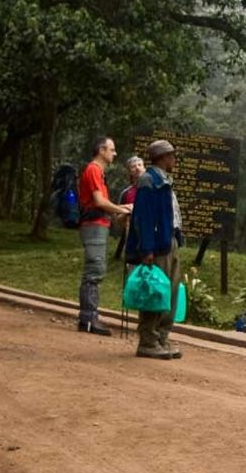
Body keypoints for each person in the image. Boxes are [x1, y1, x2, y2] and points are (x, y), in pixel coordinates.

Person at [126, 138, 184, 360]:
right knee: (155, 290)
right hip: (157, 246)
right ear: (162, 158)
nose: (173, 160)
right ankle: (148, 340)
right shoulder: (148, 181)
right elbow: (145, 218)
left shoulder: (164, 180)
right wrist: (147, 248)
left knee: (171, 291)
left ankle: (162, 335)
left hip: (169, 241)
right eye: (171, 156)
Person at [77, 136, 132, 335]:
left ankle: (90, 316)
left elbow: (103, 206)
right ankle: (88, 318)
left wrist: (121, 210)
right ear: (101, 150)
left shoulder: (99, 173)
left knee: (97, 269)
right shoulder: (93, 169)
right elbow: (99, 202)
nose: (114, 153)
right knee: (94, 270)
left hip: (98, 224)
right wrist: (122, 209)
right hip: (93, 225)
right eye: (112, 149)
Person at [114, 155, 144, 261]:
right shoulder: (126, 193)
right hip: (131, 238)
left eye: (140, 165)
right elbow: (117, 218)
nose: (137, 168)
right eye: (133, 166)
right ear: (130, 172)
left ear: (144, 168)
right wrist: (128, 211)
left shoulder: (155, 188)